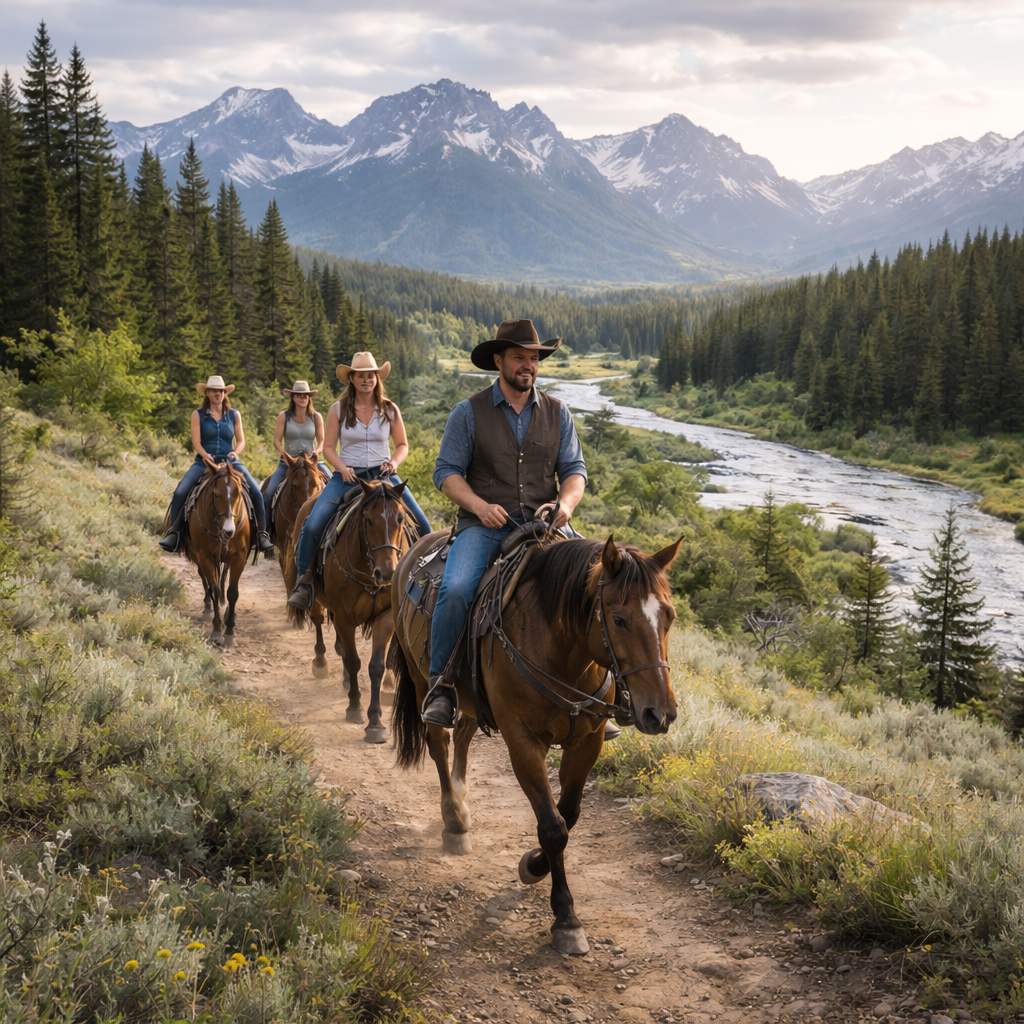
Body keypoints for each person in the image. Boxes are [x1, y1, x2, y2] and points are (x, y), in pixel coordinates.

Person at [420, 319, 587, 728]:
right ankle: (441, 685)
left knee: (598, 582)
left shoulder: (558, 412)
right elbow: (446, 473)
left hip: (545, 526)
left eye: (534, 359)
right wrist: (479, 506)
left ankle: (598, 691)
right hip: (485, 526)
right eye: (519, 358)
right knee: (456, 589)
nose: (528, 365)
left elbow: (574, 471)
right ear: (498, 361)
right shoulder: (468, 412)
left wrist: (566, 504)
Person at [287, 352, 433, 610]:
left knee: (423, 524)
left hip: (384, 475)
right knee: (312, 525)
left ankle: (428, 580)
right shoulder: (338, 409)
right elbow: (328, 447)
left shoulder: (389, 409)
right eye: (361, 376)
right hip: (347, 477)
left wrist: (394, 463)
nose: (367, 380)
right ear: (351, 379)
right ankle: (304, 582)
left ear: (377, 378)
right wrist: (342, 468)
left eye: (371, 375)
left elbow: (402, 444)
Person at [159, 376, 274, 554]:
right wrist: (205, 455)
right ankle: (173, 534)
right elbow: (196, 442)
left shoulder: (234, 415)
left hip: (230, 462)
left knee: (256, 492)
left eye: (220, 391)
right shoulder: (197, 415)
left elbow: (241, 440)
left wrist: (236, 452)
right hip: (204, 463)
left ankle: (262, 535)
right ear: (207, 393)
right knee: (180, 492)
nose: (217, 394)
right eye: (213, 391)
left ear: (224, 393)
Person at [262, 380, 331, 502]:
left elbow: (322, 441)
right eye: (299, 395)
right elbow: (277, 441)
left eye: (305, 395)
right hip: (288, 463)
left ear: (309, 398)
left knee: (332, 483)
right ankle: (266, 514)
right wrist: (285, 455)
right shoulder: (284, 416)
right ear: (293, 397)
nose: (302, 398)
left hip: (311, 462)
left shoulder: (316, 417)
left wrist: (316, 452)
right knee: (269, 491)